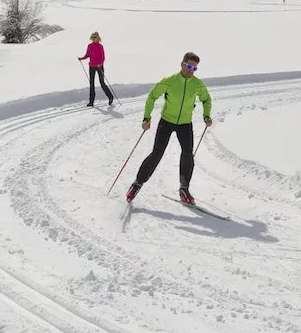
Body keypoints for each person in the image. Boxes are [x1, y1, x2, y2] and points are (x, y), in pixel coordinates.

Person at [126, 51, 213, 205]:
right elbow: (152, 96)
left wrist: (206, 115)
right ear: (182, 64)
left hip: (185, 124)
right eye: (188, 66)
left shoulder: (197, 84)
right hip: (166, 122)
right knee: (157, 153)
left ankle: (184, 189)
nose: (190, 70)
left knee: (188, 155)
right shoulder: (170, 81)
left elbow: (206, 99)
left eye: (194, 68)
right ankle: (137, 184)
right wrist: (147, 117)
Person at [79, 31, 115, 107]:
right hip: (91, 66)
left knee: (102, 83)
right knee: (91, 84)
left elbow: (103, 57)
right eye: (93, 37)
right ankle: (91, 102)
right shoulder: (89, 46)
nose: (94, 39)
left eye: (96, 37)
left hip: (99, 67)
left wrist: (100, 64)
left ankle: (110, 97)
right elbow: (87, 55)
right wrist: (82, 58)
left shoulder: (100, 46)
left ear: (98, 38)